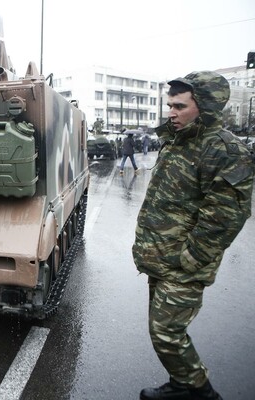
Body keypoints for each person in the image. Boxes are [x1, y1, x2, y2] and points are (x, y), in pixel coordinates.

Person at [133, 71, 254, 400]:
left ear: (207, 107)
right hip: (161, 257)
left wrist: (190, 258)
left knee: (166, 332)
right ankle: (181, 383)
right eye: (169, 105)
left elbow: (225, 215)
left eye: (179, 106)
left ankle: (200, 392)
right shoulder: (178, 140)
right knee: (162, 332)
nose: (170, 112)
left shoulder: (226, 150)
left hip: (183, 264)